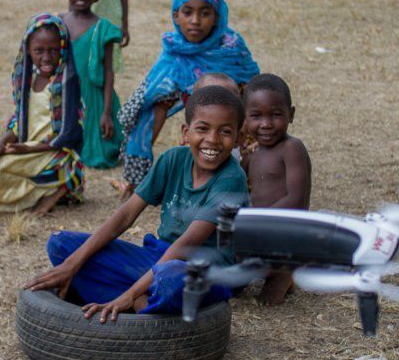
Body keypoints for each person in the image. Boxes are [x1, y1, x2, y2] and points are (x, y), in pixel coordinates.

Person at [24, 85, 248, 322]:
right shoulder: (173, 159)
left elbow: (187, 244)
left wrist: (130, 294)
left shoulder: (231, 179)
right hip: (159, 257)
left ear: (238, 139)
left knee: (171, 278)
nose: (212, 140)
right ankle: (145, 302)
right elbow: (125, 215)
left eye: (225, 132)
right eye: (202, 129)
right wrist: (72, 264)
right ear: (185, 132)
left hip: (202, 272)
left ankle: (134, 299)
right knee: (61, 244)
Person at [116, 0, 259, 200]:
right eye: (187, 12)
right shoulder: (174, 53)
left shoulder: (231, 47)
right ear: (176, 16)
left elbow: (252, 94)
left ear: (217, 17)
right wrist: (137, 176)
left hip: (238, 133)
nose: (195, 21)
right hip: (204, 135)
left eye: (205, 13)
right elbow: (154, 106)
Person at [0, 15, 84, 216]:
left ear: (63, 47)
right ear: (28, 49)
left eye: (53, 50)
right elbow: (19, 122)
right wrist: (0, 143)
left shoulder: (66, 84)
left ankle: (55, 192)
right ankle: (42, 192)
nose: (46, 57)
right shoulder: (29, 81)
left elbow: (68, 137)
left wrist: (22, 150)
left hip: (54, 155)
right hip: (26, 151)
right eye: (39, 51)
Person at [242, 73, 312, 305]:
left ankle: (282, 274)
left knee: (267, 302)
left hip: (285, 228)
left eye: (276, 114)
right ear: (245, 118)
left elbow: (297, 198)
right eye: (256, 116)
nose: (266, 124)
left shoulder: (291, 148)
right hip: (264, 229)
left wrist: (258, 221)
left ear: (291, 115)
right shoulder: (254, 154)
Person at [59, 0, 124, 168]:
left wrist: (106, 112)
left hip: (94, 98)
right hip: (66, 94)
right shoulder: (58, 23)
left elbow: (108, 71)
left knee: (100, 156)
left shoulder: (102, 28)